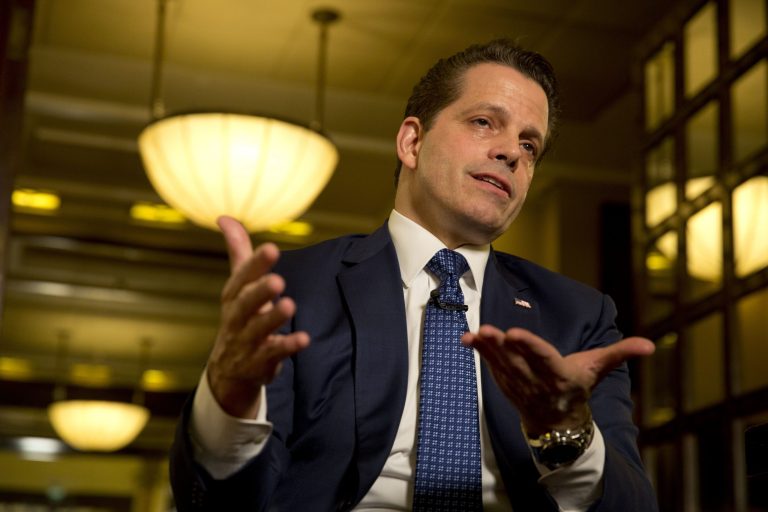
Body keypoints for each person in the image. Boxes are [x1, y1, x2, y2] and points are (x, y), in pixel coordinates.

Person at [169, 39, 658, 511]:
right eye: (486, 122)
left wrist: (567, 436)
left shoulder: (580, 316)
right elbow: (223, 502)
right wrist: (228, 405)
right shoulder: (292, 288)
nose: (512, 151)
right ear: (412, 141)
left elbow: (633, 504)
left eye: (530, 145)